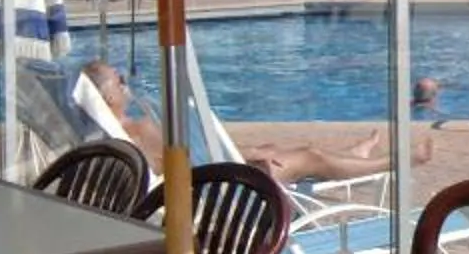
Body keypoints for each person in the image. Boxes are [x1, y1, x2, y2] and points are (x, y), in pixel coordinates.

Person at [72, 59, 426, 181]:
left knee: (272, 149)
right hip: (217, 186)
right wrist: (244, 159)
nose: (125, 82)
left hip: (207, 174)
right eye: (119, 80)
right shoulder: (137, 129)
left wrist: (248, 151)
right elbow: (179, 165)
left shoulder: (102, 136)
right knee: (310, 155)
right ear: (107, 97)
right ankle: (393, 162)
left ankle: (355, 152)